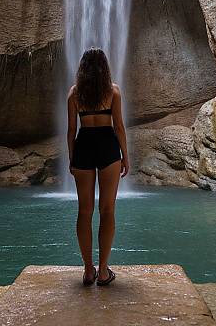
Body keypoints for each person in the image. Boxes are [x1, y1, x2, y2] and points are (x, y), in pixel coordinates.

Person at [67, 47, 130, 287]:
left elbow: (71, 130)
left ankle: (87, 270)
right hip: (107, 146)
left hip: (83, 145)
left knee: (84, 211)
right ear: (105, 68)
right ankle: (103, 271)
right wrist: (126, 156)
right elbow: (119, 127)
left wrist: (72, 158)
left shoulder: (74, 94)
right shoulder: (112, 91)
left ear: (83, 69)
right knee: (107, 210)